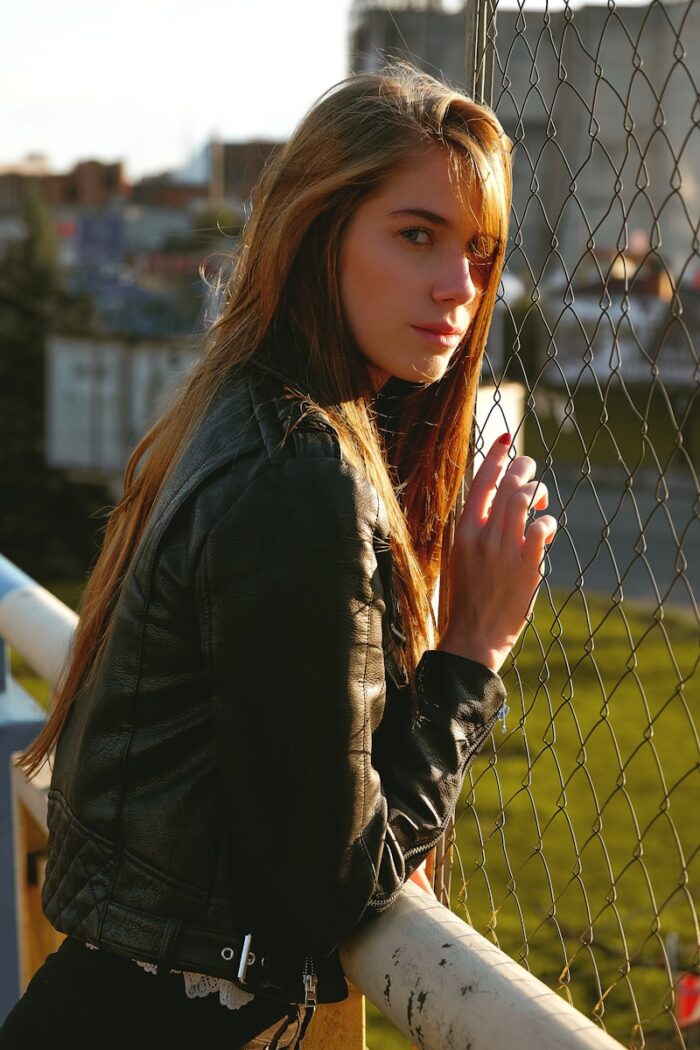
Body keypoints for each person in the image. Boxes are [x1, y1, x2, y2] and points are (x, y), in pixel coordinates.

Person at [2, 64, 556, 1049]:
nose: (459, 288)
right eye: (416, 234)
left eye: (478, 250)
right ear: (318, 234)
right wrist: (471, 652)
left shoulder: (251, 415)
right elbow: (327, 891)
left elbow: (297, 784)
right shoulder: (300, 475)